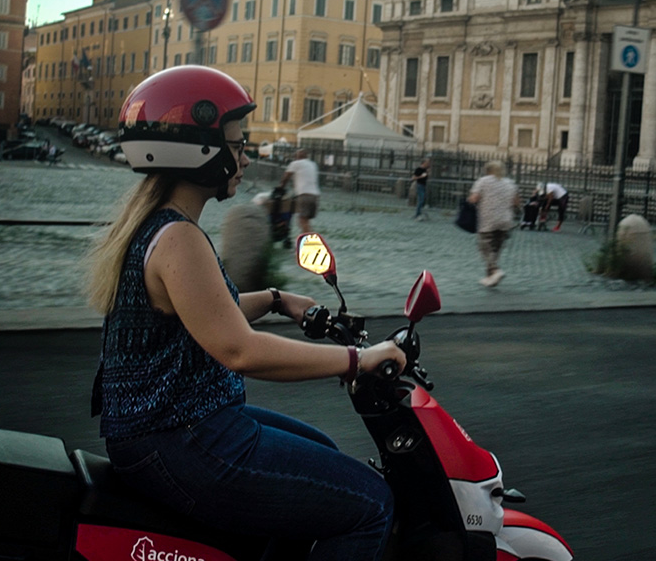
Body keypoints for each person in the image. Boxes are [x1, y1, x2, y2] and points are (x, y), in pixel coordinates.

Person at [85, 66, 405, 560]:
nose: (245, 158)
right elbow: (239, 349)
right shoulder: (178, 239)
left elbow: (209, 314)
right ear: (199, 150)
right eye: (236, 145)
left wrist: (279, 299)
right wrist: (355, 361)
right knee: (371, 503)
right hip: (180, 440)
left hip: (168, 431)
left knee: (321, 446)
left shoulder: (159, 226)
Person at [468, 160, 520, 287]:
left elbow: (474, 199)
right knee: (495, 249)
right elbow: (516, 202)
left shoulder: (483, 181)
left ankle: (495, 270)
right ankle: (490, 276)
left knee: (484, 246)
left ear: (488, 170)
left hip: (488, 219)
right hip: (505, 220)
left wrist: (469, 201)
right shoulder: (510, 183)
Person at [279, 148, 320, 237]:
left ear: (297, 156)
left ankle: (310, 243)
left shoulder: (295, 164)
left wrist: (281, 187)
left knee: (302, 220)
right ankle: (309, 238)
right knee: (306, 221)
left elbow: (286, 177)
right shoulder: (313, 164)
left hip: (304, 194)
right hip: (315, 195)